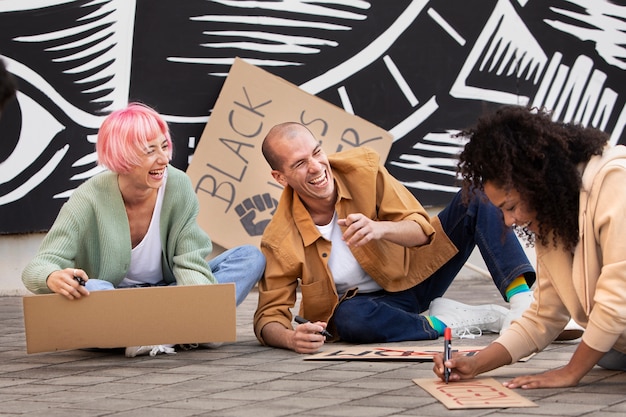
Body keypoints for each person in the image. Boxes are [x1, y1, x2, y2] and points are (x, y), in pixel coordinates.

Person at [253, 122, 537, 354]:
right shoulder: (279, 239)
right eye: (300, 163)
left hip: (420, 271)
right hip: (373, 307)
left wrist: (380, 229)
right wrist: (291, 339)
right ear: (280, 177)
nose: (316, 167)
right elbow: (268, 316)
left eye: (317, 152)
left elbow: (422, 230)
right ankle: (444, 322)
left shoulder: (362, 171)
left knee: (476, 195)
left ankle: (524, 305)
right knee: (349, 319)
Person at [22, 102, 265, 357]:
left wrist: (202, 309)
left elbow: (190, 260)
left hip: (169, 292)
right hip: (115, 299)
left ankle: (146, 335)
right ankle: (177, 334)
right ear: (122, 156)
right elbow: (37, 268)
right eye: (150, 151)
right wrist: (53, 277)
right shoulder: (88, 198)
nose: (164, 159)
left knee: (250, 257)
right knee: (92, 288)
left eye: (164, 146)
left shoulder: (178, 185)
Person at [433, 105, 626, 389]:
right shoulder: (554, 215)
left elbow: (617, 296)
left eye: (510, 207)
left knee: (603, 341)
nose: (510, 221)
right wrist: (477, 362)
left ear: (536, 181)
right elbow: (543, 315)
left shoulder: (614, 180)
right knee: (605, 348)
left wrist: (570, 372)